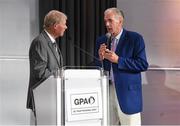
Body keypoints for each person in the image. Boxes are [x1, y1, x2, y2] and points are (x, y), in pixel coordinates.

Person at [94, 8, 149, 125]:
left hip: (128, 94)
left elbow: (142, 64)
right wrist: (100, 58)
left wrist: (118, 60)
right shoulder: (102, 40)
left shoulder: (135, 39)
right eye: (105, 21)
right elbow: (97, 67)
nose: (107, 24)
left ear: (120, 21)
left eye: (110, 20)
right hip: (106, 92)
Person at [26, 10, 67, 117]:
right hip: (43, 98)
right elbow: (40, 72)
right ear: (55, 25)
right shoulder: (40, 42)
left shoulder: (51, 42)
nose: (66, 27)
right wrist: (61, 76)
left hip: (51, 97)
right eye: (64, 24)